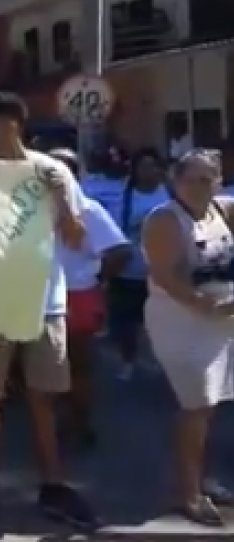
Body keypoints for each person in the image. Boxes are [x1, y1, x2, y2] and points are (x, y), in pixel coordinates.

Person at [0, 93, 97, 529]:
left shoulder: (53, 172)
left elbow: (76, 238)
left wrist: (59, 202)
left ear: (10, 125)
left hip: (44, 304)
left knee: (44, 399)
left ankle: (53, 486)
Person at [142, 149, 234, 526]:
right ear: (176, 182)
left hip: (223, 321)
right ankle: (190, 493)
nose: (201, 186)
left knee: (210, 405)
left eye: (208, 178)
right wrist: (209, 307)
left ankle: (201, 478)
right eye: (193, 179)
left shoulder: (223, 210)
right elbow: (167, 277)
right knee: (196, 405)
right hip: (180, 320)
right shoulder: (165, 220)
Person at [48, 148, 131, 447]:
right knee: (47, 368)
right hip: (38, 298)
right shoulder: (29, 210)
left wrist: (99, 279)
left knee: (79, 366)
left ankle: (79, 422)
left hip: (78, 295)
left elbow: (120, 251)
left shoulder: (89, 210)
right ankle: (57, 420)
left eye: (62, 170)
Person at [106, 149, 169, 380]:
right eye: (142, 166)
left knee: (161, 321)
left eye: (152, 166)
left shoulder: (170, 194)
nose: (147, 171)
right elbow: (113, 232)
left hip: (162, 271)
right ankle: (128, 359)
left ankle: (163, 360)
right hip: (128, 270)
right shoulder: (125, 196)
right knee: (124, 322)